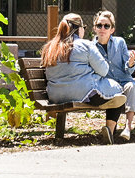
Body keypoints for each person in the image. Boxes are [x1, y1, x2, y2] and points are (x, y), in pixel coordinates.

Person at [41, 12, 127, 143]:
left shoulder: (50, 47)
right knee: (117, 89)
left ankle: (109, 128)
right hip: (82, 93)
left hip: (55, 95)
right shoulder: (86, 45)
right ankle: (109, 130)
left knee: (112, 93)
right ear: (79, 28)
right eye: (83, 28)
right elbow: (104, 71)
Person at [92, 9, 135, 143]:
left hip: (125, 83)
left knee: (132, 86)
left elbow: (128, 72)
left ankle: (127, 127)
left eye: (106, 26)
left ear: (112, 29)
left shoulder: (120, 43)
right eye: (99, 25)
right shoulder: (91, 47)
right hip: (109, 88)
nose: (102, 29)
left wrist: (130, 63)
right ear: (94, 28)